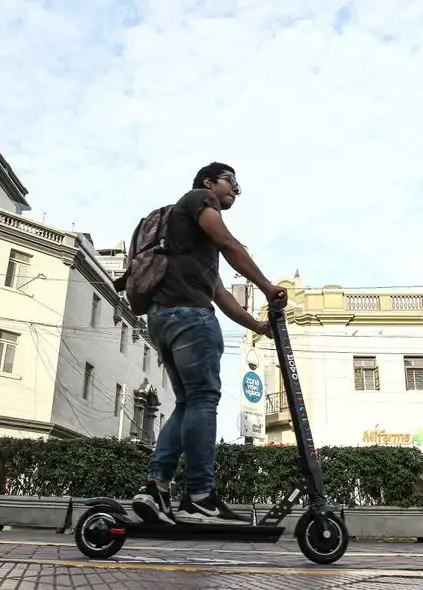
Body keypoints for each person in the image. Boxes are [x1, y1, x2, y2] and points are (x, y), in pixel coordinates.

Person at [131, 162, 288, 526]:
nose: (235, 190)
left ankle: (155, 488)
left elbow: (218, 292)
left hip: (162, 319)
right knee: (203, 400)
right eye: (230, 181)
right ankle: (200, 497)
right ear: (209, 182)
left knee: (188, 402)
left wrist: (256, 325)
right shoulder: (200, 200)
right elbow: (229, 243)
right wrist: (267, 287)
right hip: (189, 318)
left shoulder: (185, 242)